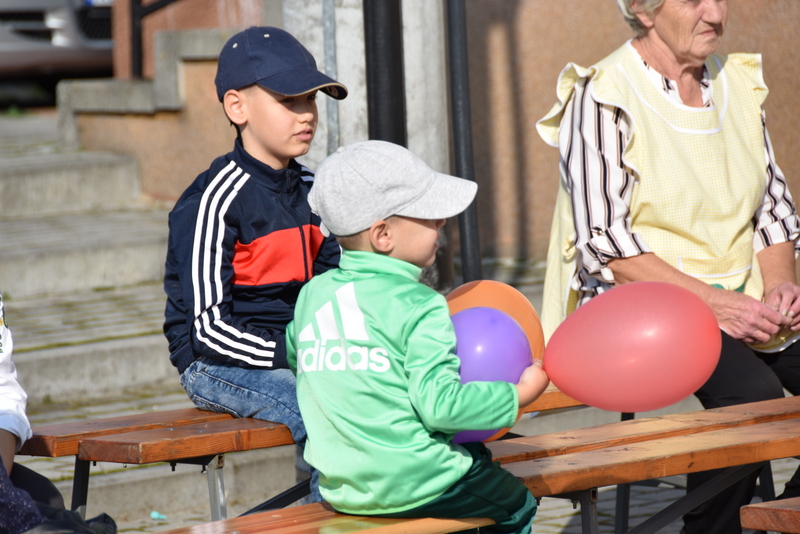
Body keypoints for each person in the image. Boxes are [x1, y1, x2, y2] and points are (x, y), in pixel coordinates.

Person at [537, 1, 800, 532]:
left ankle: (781, 514)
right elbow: (608, 245)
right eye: (693, 0)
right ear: (643, 10)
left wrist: (781, 285)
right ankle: (708, 528)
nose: (715, 13)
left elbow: (773, 211)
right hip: (641, 303)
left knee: (757, 400)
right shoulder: (603, 94)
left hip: (741, 294)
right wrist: (722, 306)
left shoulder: (738, 84)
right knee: (752, 401)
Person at [285, 140, 550, 534]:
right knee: (516, 503)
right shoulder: (420, 304)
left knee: (473, 455)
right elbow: (440, 408)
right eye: (429, 215)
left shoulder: (312, 295)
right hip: (417, 482)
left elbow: (296, 355)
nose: (442, 222)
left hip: (345, 488)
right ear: (383, 236)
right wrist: (519, 395)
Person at [162, 26, 347, 502]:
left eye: (312, 100)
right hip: (218, 363)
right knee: (323, 414)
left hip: (300, 352)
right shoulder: (214, 200)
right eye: (290, 100)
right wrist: (301, 354)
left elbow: (335, 286)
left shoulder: (313, 188)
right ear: (236, 107)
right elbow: (206, 330)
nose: (306, 114)